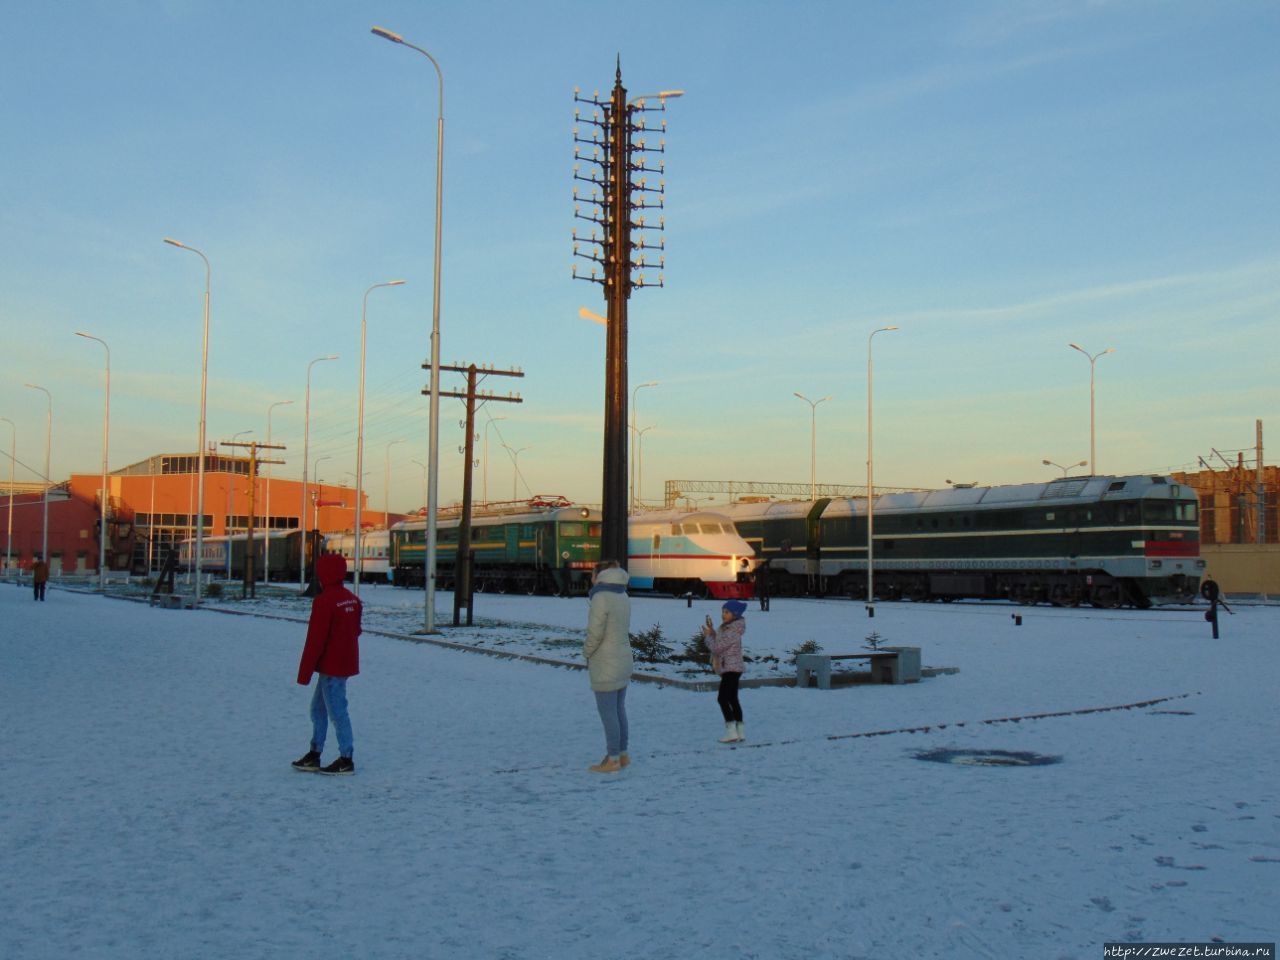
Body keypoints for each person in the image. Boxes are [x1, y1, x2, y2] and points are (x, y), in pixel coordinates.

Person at [292, 553, 362, 775]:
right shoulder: (352, 599)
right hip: (343, 664)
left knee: (337, 711)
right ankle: (315, 753)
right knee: (319, 709)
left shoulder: (323, 602)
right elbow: (356, 631)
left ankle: (346, 758)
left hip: (331, 667)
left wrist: (304, 674)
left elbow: (315, 641)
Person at [583, 560, 633, 774]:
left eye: (592, 574)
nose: (591, 578)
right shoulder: (622, 594)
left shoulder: (600, 597)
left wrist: (586, 652)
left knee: (607, 712)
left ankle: (612, 759)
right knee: (619, 708)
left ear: (600, 575)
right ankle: (622, 754)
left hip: (605, 660)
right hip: (622, 658)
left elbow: (595, 632)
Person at [704, 599, 748, 743]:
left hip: (731, 668)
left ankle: (731, 732)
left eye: (727, 612)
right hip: (732, 667)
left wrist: (708, 637)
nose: (723, 615)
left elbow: (717, 648)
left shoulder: (732, 630)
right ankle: (740, 731)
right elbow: (722, 642)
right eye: (723, 612)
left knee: (722, 699)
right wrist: (713, 633)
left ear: (734, 614)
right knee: (732, 699)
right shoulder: (729, 628)